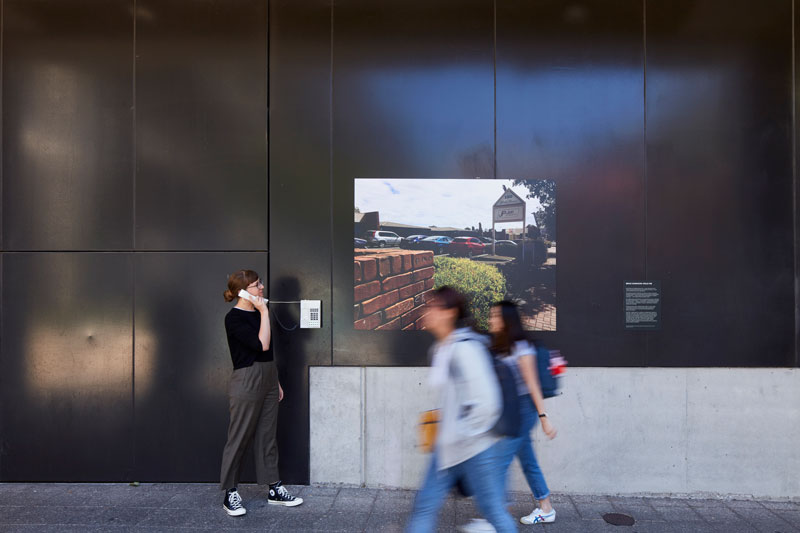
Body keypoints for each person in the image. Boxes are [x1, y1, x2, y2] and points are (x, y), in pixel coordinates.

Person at [406, 287, 517, 533]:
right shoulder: (441, 349)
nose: (426, 312)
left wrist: (461, 434)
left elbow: (488, 404)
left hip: (474, 448)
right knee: (424, 507)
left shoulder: (466, 349)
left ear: (450, 312)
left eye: (432, 306)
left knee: (494, 512)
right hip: (447, 448)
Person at [219, 269, 303, 516]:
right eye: (256, 285)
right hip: (246, 378)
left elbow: (268, 353)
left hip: (268, 377)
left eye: (260, 283)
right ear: (242, 291)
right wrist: (264, 311)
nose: (262, 288)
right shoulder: (233, 318)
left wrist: (274, 381)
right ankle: (230, 493)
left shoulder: (259, 314)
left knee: (268, 435)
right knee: (239, 436)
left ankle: (274, 488)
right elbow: (261, 344)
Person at [490, 300, 557, 525]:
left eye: (495, 316)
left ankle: (497, 518)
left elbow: (533, 385)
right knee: (528, 461)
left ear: (507, 320)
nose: (491, 320)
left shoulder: (521, 348)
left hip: (523, 411)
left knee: (499, 463)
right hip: (510, 410)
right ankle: (546, 508)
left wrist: (543, 418)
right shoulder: (502, 345)